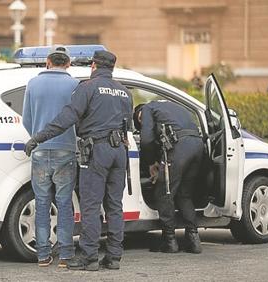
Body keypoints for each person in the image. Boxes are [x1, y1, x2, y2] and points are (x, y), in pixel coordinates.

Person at [24, 50, 133, 271]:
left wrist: (38, 137)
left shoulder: (87, 88)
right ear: (111, 67)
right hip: (119, 152)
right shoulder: (124, 92)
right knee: (114, 206)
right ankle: (113, 257)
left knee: (91, 205)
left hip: (97, 150)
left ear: (94, 65)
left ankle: (89, 257)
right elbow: (128, 125)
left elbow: (67, 118)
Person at [22, 45, 79, 267]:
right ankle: (65, 255)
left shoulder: (33, 83)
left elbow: (27, 119)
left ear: (48, 62)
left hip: (39, 150)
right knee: (64, 203)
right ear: (68, 64)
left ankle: (43, 255)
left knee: (42, 203)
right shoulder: (74, 84)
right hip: (66, 149)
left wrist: (38, 138)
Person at [134, 100, 204, 254]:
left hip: (179, 148)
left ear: (139, 117)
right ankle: (194, 240)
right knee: (184, 194)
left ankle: (169, 241)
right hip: (198, 146)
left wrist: (151, 163)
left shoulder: (146, 109)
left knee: (163, 193)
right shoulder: (171, 105)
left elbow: (146, 140)